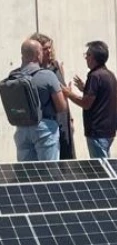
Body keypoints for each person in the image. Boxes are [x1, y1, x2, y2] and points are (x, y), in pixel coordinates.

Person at [5, 39, 67, 161]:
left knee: (28, 172)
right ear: (38, 54)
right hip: (45, 129)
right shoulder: (47, 75)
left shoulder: (13, 76)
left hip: (21, 129)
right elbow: (61, 107)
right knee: (48, 171)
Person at [63, 40, 117, 159]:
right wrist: (85, 89)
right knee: (105, 166)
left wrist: (68, 94)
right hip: (108, 131)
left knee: (100, 168)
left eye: (87, 55)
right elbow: (103, 96)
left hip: (97, 132)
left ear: (94, 58)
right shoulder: (109, 75)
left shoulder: (94, 76)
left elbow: (86, 103)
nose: (86, 58)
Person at [30, 32, 76, 160]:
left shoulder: (57, 66)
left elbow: (64, 94)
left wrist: (70, 118)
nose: (49, 51)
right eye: (45, 49)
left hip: (63, 117)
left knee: (66, 156)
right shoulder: (34, 72)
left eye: (50, 47)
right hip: (47, 122)